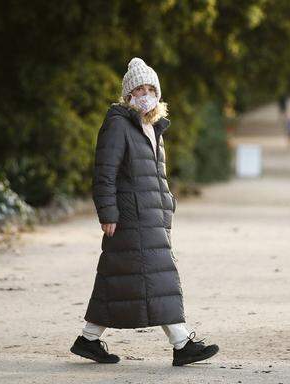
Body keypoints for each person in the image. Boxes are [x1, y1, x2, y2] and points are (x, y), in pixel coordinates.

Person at [70, 57, 219, 366]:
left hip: (150, 217)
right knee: (159, 277)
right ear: (128, 95)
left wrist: (167, 204)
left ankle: (88, 339)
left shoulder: (152, 127)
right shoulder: (118, 124)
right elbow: (105, 172)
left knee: (118, 278)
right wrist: (108, 212)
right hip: (129, 216)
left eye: (151, 89)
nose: (145, 94)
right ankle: (181, 343)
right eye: (139, 89)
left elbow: (155, 176)